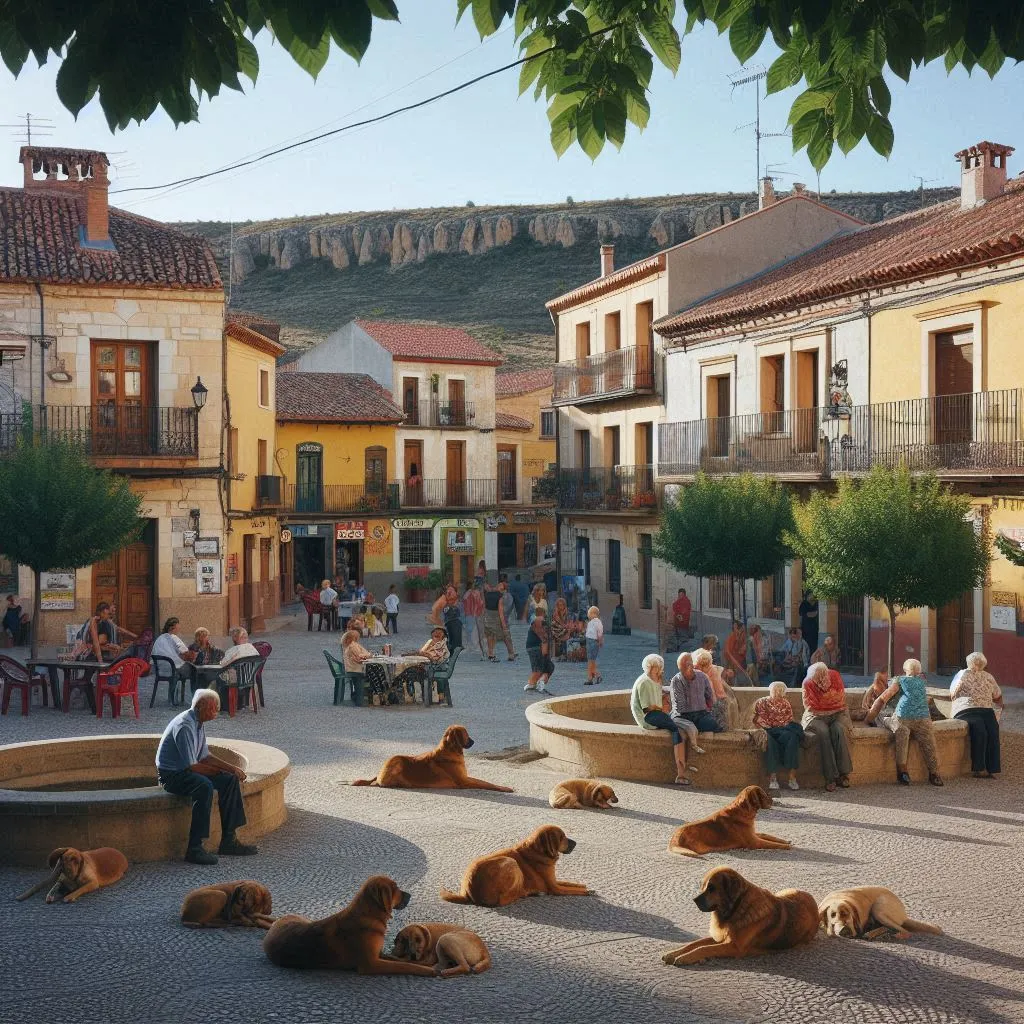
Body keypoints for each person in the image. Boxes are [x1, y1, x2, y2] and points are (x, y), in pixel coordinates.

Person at [156, 688, 257, 865]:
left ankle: (229, 840)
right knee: (203, 786)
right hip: (171, 775)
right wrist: (219, 772)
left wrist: (232, 769)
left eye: (217, 708)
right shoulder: (185, 726)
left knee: (229, 780)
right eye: (213, 708)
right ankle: (194, 848)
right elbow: (192, 766)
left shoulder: (198, 722)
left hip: (186, 770)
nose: (216, 712)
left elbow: (205, 756)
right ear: (200, 707)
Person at [866, 658, 943, 787]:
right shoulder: (922, 681)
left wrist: (869, 716)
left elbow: (883, 698)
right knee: (929, 742)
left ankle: (903, 772)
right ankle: (935, 774)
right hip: (923, 717)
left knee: (899, 730)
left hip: (903, 716)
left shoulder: (900, 680)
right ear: (918, 671)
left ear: (905, 670)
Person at [630, 654, 691, 786]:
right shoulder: (644, 682)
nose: (657, 670)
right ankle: (680, 771)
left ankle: (682, 766)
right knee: (676, 729)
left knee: (679, 722)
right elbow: (647, 708)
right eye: (654, 668)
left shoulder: (655, 680)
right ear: (648, 668)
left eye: (658, 667)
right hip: (647, 717)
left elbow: (658, 693)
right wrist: (662, 707)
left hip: (655, 713)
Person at [950, 651, 1003, 779]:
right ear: (984, 663)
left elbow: (952, 694)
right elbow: (997, 696)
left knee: (985, 731)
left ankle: (981, 769)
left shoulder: (962, 674)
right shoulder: (987, 676)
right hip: (974, 709)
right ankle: (989, 769)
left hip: (971, 709)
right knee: (989, 731)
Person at [801, 662, 853, 792]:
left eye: (821, 675)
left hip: (837, 713)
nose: (818, 679)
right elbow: (810, 706)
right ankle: (830, 777)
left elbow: (840, 698)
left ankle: (844, 773)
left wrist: (826, 703)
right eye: (815, 677)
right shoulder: (808, 683)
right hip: (815, 716)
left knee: (838, 730)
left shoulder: (834, 676)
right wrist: (828, 702)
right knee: (823, 732)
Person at [752, 681, 804, 791]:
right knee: (770, 743)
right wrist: (772, 725)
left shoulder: (785, 703)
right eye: (775, 690)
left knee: (793, 738)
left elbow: (788, 720)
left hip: (782, 730)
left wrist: (779, 725)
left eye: (780, 691)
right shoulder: (762, 702)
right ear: (771, 691)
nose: (778, 693)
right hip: (767, 730)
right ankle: (773, 778)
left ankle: (792, 777)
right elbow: (760, 720)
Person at [668, 652, 719, 760]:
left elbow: (710, 696)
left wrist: (707, 709)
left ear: (690, 666)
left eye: (683, 669)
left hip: (700, 714)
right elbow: (679, 707)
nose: (681, 672)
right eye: (680, 669)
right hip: (683, 715)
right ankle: (691, 731)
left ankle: (693, 729)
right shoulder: (676, 680)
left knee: (714, 725)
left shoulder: (702, 677)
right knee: (683, 727)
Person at [394, 625, 450, 697]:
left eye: (437, 636)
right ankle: (407, 692)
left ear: (443, 637)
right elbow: (422, 652)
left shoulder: (441, 647)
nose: (434, 638)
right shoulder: (435, 645)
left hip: (431, 670)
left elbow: (433, 659)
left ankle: (405, 692)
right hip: (429, 668)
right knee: (407, 671)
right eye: (433, 636)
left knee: (409, 672)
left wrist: (423, 654)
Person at [692, 648, 736, 730]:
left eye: (705, 665)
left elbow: (711, 694)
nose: (702, 668)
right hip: (715, 702)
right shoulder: (703, 670)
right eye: (700, 665)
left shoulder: (710, 672)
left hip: (717, 702)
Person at [151, 617, 197, 686]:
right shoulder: (173, 637)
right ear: (172, 628)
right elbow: (185, 652)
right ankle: (195, 694)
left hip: (161, 670)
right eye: (177, 627)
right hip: (172, 670)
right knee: (195, 671)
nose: (178, 629)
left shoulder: (160, 638)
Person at [524, 608, 554, 695]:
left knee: (548, 667)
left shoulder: (538, 621)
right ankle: (531, 686)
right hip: (535, 647)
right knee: (538, 669)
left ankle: (537, 684)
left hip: (535, 647)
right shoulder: (538, 620)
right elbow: (542, 636)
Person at [483, 580, 513, 663]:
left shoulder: (490, 595)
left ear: (503, 589)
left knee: (491, 636)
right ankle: (510, 654)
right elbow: (500, 612)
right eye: (499, 585)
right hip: (495, 618)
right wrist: (503, 624)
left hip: (490, 617)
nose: (498, 586)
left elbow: (484, 607)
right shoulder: (499, 596)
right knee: (504, 636)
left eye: (500, 586)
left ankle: (491, 653)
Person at [461, 580, 485, 658]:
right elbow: (481, 604)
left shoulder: (467, 593)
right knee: (474, 631)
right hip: (474, 615)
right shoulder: (475, 593)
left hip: (469, 615)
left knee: (470, 631)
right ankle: (475, 647)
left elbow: (464, 602)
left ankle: (471, 646)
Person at [584, 605, 604, 685]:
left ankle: (595, 676)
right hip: (589, 641)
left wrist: (600, 641)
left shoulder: (597, 622)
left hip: (593, 642)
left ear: (593, 613)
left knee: (591, 661)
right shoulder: (591, 622)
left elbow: (600, 633)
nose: (589, 616)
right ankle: (591, 677)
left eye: (589, 614)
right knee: (591, 661)